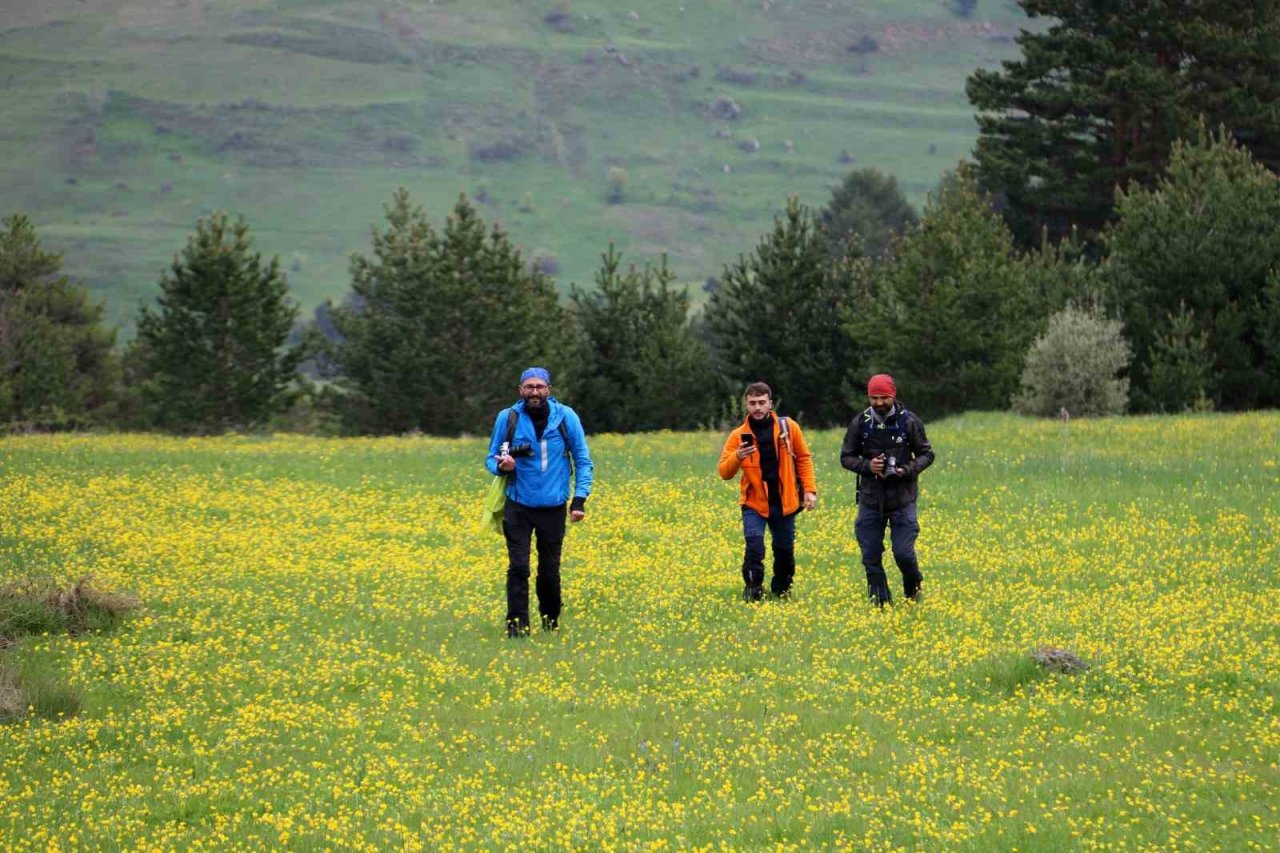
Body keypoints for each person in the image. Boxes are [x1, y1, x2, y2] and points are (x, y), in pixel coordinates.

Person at [485, 367, 594, 637]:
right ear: (520, 390)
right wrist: (503, 466)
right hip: (518, 505)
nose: (534, 392)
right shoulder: (507, 418)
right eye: (529, 387)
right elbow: (491, 458)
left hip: (553, 507)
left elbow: (583, 460)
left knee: (548, 571)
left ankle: (550, 622)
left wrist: (579, 500)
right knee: (518, 567)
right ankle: (517, 629)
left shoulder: (566, 418)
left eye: (539, 387)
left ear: (549, 389)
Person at [839, 373, 935, 606]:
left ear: (893, 396)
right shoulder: (860, 423)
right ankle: (880, 604)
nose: (879, 402)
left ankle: (913, 591)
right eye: (874, 397)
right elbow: (846, 457)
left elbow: (927, 454)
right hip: (871, 499)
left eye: (884, 397)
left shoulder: (909, 422)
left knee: (903, 554)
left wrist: (906, 470)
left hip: (903, 498)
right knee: (870, 555)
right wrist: (868, 466)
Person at [717, 381, 818, 601]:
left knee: (784, 552)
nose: (757, 408)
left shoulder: (788, 428)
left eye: (762, 402)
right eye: (752, 403)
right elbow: (724, 472)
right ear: (746, 405)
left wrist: (809, 490)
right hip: (754, 503)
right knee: (754, 547)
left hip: (785, 502)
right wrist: (738, 457)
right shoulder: (738, 435)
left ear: (770, 403)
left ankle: (781, 591)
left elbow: (803, 458)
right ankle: (753, 591)